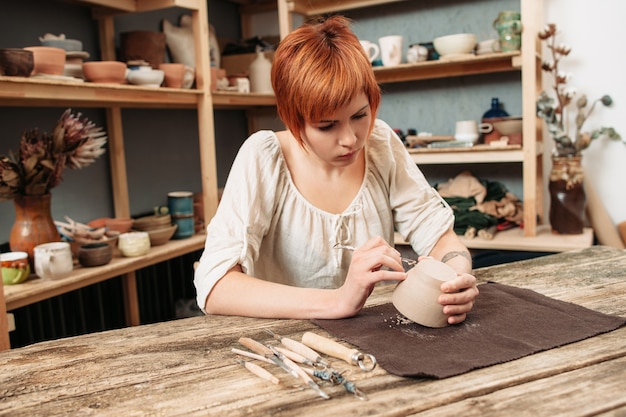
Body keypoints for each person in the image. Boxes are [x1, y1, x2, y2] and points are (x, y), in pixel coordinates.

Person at [194, 16, 478, 323]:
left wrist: (456, 278)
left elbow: (439, 238)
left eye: (359, 115)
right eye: (326, 126)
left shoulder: (380, 143)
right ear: (294, 120)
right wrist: (337, 301)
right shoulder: (264, 157)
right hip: (286, 340)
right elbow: (215, 286)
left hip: (378, 333)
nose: (350, 139)